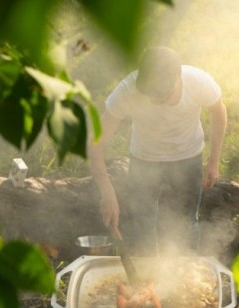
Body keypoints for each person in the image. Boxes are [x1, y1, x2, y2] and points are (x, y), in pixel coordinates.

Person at [89, 46, 227, 256]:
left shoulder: (197, 82)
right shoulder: (127, 91)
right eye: (150, 94)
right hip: (144, 160)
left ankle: (187, 276)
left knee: (187, 222)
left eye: (162, 95)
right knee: (142, 224)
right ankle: (149, 279)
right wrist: (106, 191)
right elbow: (95, 143)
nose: (155, 101)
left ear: (178, 76)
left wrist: (214, 160)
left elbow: (218, 110)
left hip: (188, 157)